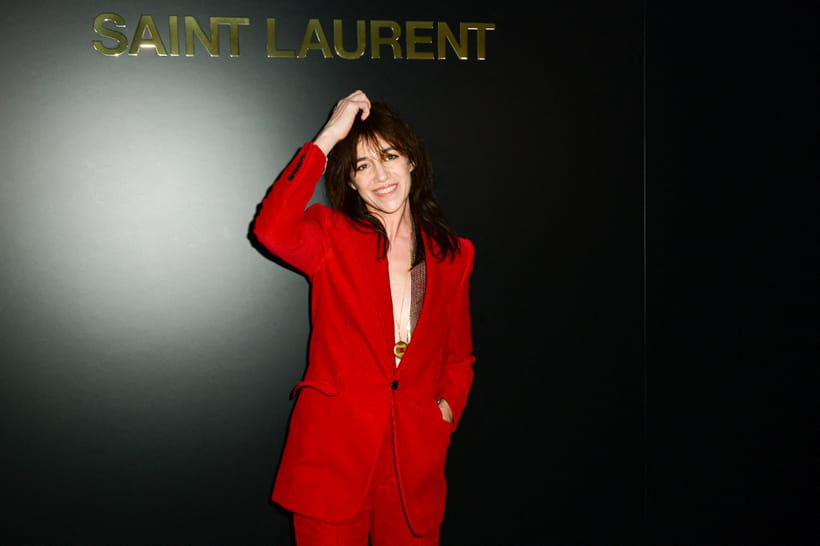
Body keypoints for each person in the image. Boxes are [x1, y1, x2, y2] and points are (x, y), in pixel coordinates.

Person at [251, 90, 475, 545]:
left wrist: (445, 413)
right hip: (333, 457)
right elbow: (271, 229)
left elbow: (458, 356)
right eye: (362, 165)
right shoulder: (329, 235)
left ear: (412, 161)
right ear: (351, 182)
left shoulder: (453, 254)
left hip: (413, 460)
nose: (380, 175)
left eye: (389, 156)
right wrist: (330, 136)